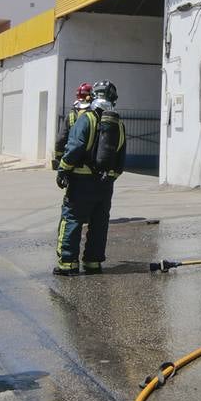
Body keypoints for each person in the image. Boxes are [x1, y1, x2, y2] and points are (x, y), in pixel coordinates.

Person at [54, 80, 126, 276]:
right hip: (105, 185)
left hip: (80, 182)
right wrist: (108, 178)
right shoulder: (118, 124)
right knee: (99, 223)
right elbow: (120, 160)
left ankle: (68, 264)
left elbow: (74, 147)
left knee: (71, 220)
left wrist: (63, 170)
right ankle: (93, 263)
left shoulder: (86, 119)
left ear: (93, 97)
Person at [51, 82, 93, 170]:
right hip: (91, 163)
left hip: (71, 160)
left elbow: (61, 139)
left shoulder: (71, 114)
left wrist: (58, 157)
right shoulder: (95, 115)